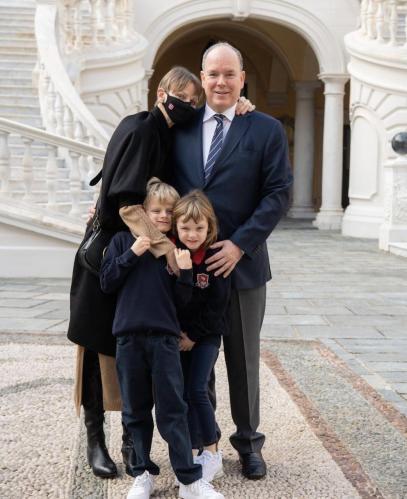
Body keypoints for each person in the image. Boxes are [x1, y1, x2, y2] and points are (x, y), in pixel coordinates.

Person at [67, 66, 203, 478]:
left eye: (193, 101)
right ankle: (95, 441)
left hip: (138, 251)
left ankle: (132, 444)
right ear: (161, 93)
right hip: (112, 251)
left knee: (130, 348)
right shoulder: (143, 127)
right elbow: (126, 203)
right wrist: (165, 250)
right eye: (181, 97)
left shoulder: (160, 130)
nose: (188, 105)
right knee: (96, 347)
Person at [170, 42, 293, 479]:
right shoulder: (180, 128)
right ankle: (205, 443)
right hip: (190, 269)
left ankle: (249, 443)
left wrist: (240, 244)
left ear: (242, 79)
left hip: (243, 267)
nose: (221, 82)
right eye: (213, 74)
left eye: (229, 74)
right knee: (195, 359)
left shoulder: (264, 129)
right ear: (202, 78)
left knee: (243, 360)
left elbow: (278, 193)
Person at [100, 179, 224, 499]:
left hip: (165, 340)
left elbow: (182, 304)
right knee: (135, 410)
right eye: (156, 210)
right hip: (128, 337)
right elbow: (107, 282)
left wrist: (184, 273)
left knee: (173, 411)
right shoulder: (121, 241)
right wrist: (132, 253)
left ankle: (189, 479)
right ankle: (142, 474)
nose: (163, 216)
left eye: (169, 211)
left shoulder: (174, 252)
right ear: (144, 210)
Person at [172, 190, 230, 483]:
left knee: (198, 389)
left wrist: (193, 336)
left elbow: (218, 305)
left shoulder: (213, 258)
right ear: (175, 227)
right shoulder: (172, 256)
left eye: (199, 228)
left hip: (205, 336)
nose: (192, 234)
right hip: (179, 337)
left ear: (210, 228)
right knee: (182, 393)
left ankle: (212, 450)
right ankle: (192, 451)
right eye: (185, 227)